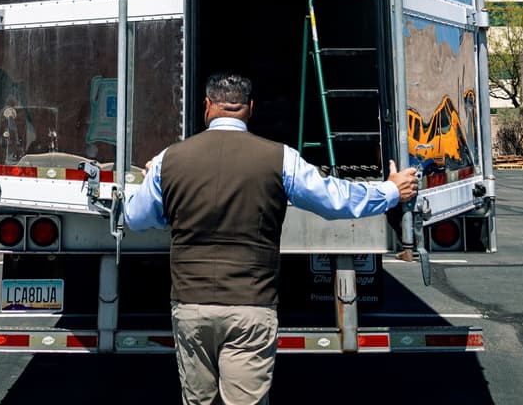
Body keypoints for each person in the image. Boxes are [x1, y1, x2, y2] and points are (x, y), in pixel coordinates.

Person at [125, 72, 420, 405]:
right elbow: (335, 200)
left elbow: (135, 217)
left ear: (206, 106)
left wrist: (158, 189)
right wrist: (390, 191)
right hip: (251, 304)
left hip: (190, 304)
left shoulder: (169, 160)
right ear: (250, 108)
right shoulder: (280, 158)